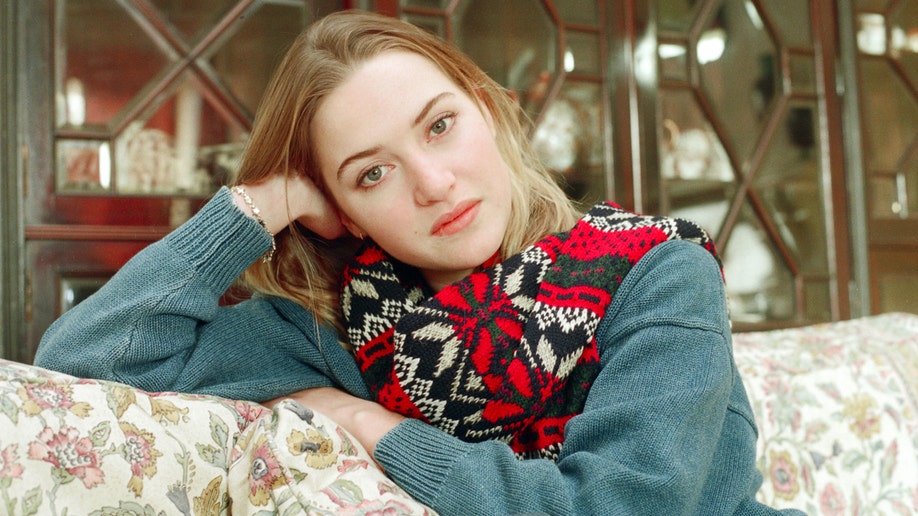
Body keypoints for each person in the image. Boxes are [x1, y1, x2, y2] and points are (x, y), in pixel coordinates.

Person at [36, 10, 799, 515]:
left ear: (486, 107)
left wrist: (374, 427)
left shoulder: (655, 272)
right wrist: (259, 205)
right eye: (372, 173)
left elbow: (618, 507)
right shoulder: (328, 330)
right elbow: (86, 361)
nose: (434, 184)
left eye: (439, 126)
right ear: (338, 209)